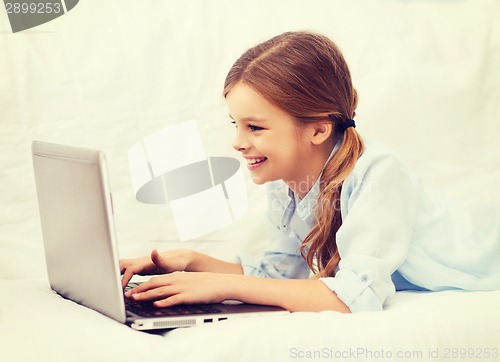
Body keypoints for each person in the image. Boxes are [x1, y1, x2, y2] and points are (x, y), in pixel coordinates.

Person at [120, 31, 500, 313]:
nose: (236, 142)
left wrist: (217, 287)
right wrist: (192, 261)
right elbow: (280, 273)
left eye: (254, 127)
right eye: (234, 124)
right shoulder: (287, 181)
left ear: (318, 129)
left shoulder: (379, 173)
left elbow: (354, 298)